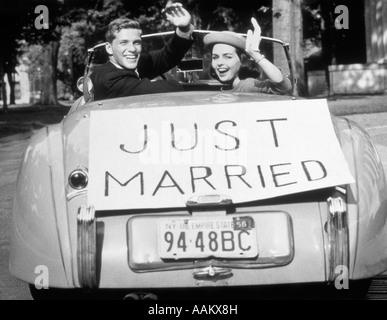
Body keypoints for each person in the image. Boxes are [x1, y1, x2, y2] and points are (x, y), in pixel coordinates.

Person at [90, 2, 194, 101]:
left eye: (136, 42)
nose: (132, 49)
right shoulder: (108, 79)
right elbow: (169, 89)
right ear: (109, 48)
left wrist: (184, 28)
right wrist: (177, 84)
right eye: (124, 43)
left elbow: (167, 56)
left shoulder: (128, 66)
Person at [203, 18, 292, 95]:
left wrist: (256, 55)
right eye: (215, 57)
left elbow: (283, 87)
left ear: (242, 59)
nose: (219, 63)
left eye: (228, 57)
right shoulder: (218, 87)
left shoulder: (246, 86)